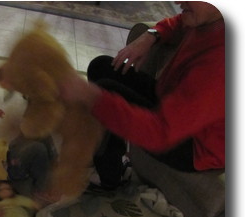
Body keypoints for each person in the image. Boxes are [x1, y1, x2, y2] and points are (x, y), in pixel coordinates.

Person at [60, 1, 225, 189]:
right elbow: (180, 22)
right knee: (102, 66)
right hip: (174, 104)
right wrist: (151, 36)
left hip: (194, 146)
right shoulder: (211, 18)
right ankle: (97, 145)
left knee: (105, 92)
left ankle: (112, 177)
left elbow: (160, 133)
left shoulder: (221, 65)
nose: (178, 2)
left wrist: (91, 97)